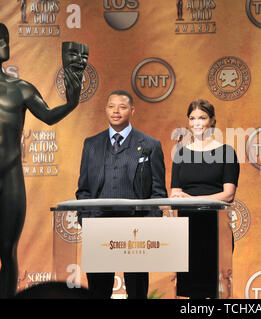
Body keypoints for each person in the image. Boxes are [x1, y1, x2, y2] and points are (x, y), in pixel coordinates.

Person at [0, 23, 84, 298]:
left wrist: (71, 102)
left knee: (7, 249)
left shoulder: (21, 88)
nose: (3, 43)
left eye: (4, 38)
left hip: (10, 178)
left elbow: (48, 115)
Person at [75, 90, 167, 299]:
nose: (116, 111)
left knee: (137, 292)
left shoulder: (150, 144)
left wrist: (148, 224)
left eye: (122, 107)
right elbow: (83, 190)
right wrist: (86, 220)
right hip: (99, 227)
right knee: (98, 292)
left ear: (132, 111)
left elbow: (158, 192)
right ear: (106, 109)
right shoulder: (91, 144)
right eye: (111, 106)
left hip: (136, 228)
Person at [170, 99, 239, 298]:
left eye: (202, 118)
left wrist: (192, 198)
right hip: (187, 229)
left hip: (214, 228)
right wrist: (179, 197)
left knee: (216, 290)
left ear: (212, 121)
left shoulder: (226, 152)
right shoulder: (180, 154)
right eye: (192, 118)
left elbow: (228, 194)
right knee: (191, 292)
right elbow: (176, 193)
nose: (197, 123)